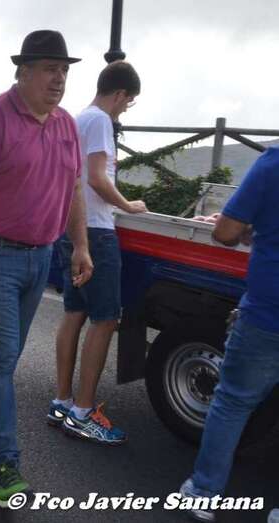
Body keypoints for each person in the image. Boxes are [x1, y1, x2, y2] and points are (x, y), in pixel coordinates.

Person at [0, 30, 93, 507]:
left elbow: (74, 189)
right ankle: (4, 466)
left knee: (1, 356)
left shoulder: (66, 124)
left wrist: (80, 246)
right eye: (49, 69)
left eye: (64, 70)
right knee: (4, 360)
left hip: (41, 256)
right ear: (23, 72)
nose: (59, 79)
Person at [177, 146, 279, 522]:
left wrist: (251, 228)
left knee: (233, 401)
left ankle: (203, 493)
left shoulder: (273, 163)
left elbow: (225, 232)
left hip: (268, 314)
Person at [50, 61, 146, 445]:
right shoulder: (102, 121)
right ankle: (83, 412)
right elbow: (96, 177)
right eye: (129, 101)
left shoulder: (77, 119)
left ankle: (62, 401)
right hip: (96, 231)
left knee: (75, 312)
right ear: (120, 93)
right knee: (105, 320)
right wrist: (128, 205)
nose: (125, 109)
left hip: (70, 226)